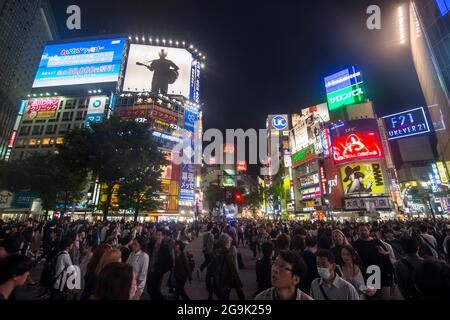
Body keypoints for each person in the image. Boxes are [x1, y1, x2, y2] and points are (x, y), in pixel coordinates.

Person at [352, 224, 394, 300]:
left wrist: (384, 252)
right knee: (372, 296)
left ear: (369, 231)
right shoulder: (356, 244)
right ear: (358, 232)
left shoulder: (376, 241)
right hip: (368, 274)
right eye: (361, 230)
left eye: (365, 230)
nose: (363, 232)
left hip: (381, 273)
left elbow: (387, 254)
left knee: (384, 295)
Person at [206, 234, 244, 300]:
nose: (230, 243)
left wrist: (208, 284)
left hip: (216, 283)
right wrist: (239, 285)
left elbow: (209, 270)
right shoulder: (227, 255)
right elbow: (233, 271)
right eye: (229, 242)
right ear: (226, 243)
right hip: (224, 283)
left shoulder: (216, 253)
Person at [147, 228, 173, 300]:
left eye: (159, 235)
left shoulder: (165, 247)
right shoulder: (151, 244)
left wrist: (162, 270)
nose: (157, 236)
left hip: (157, 271)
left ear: (163, 236)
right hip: (150, 269)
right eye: (157, 234)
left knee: (154, 288)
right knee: (149, 288)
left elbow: (169, 261)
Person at [395, 236, 423, 300]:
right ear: (418, 247)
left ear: (403, 249)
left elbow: (400, 284)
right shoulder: (425, 263)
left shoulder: (399, 264)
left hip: (409, 295)